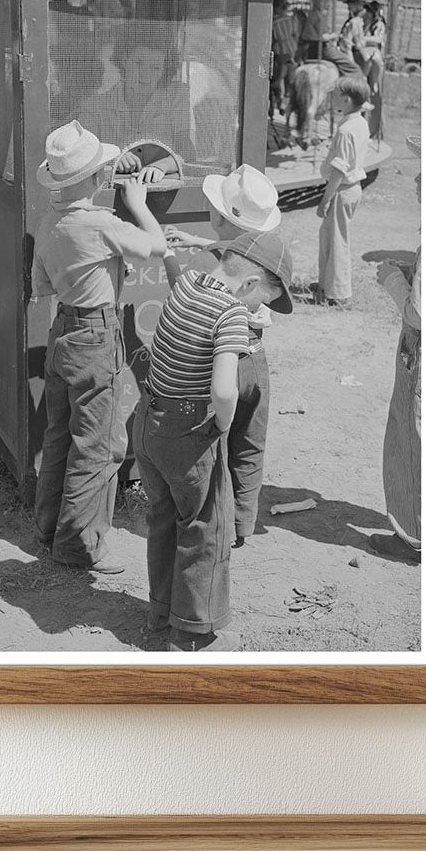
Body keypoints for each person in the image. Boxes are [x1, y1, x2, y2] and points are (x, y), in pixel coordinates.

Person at [133, 231, 292, 651]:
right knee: (206, 528)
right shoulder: (231, 312)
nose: (258, 311)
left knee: (164, 519)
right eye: (263, 302)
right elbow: (224, 391)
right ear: (250, 285)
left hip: (148, 421)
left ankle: (160, 613)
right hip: (188, 433)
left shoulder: (187, 283)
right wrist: (222, 425)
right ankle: (191, 635)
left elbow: (170, 260)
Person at [31, 121, 167, 574]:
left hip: (63, 332)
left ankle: (49, 527)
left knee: (59, 435)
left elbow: (45, 284)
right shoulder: (100, 222)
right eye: (102, 170)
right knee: (100, 445)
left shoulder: (51, 220)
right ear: (93, 179)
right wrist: (137, 203)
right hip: (96, 335)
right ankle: (78, 546)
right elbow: (156, 246)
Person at [162, 164, 287, 549]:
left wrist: (171, 252)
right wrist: (196, 240)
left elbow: (183, 288)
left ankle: (215, 517)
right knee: (250, 442)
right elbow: (229, 244)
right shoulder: (258, 254)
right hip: (256, 358)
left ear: (217, 214)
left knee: (217, 439)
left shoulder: (211, 268)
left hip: (224, 359)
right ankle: (242, 524)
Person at [372, 136, 423, 563]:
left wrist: (393, 277)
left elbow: (419, 314)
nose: (420, 180)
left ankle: (413, 535)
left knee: (410, 436)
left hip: (423, 350)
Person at [315, 75, 372, 306]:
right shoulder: (358, 122)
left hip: (342, 189)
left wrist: (325, 199)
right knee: (332, 237)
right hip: (351, 188)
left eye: (336, 94)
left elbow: (339, 170)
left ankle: (338, 293)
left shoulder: (346, 130)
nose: (333, 97)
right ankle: (329, 285)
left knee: (336, 240)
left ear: (346, 99)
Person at [298, 0, 362, 79]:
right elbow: (323, 37)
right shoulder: (318, 15)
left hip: (311, 48)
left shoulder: (312, 14)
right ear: (316, 0)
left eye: (326, 0)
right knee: (353, 68)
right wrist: (335, 35)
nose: (326, 2)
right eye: (324, 0)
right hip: (323, 48)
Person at [360, 0, 387, 140]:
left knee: (375, 94)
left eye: (369, 11)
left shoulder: (379, 25)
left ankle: (375, 130)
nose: (367, 14)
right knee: (366, 94)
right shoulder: (366, 24)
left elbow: (377, 39)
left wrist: (361, 38)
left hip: (375, 57)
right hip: (367, 55)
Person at [270, 0, 300, 116]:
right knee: (290, 79)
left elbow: (272, 38)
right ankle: (285, 103)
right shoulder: (291, 19)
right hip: (292, 49)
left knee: (278, 78)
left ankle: (278, 98)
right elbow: (296, 34)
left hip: (279, 51)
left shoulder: (272, 21)